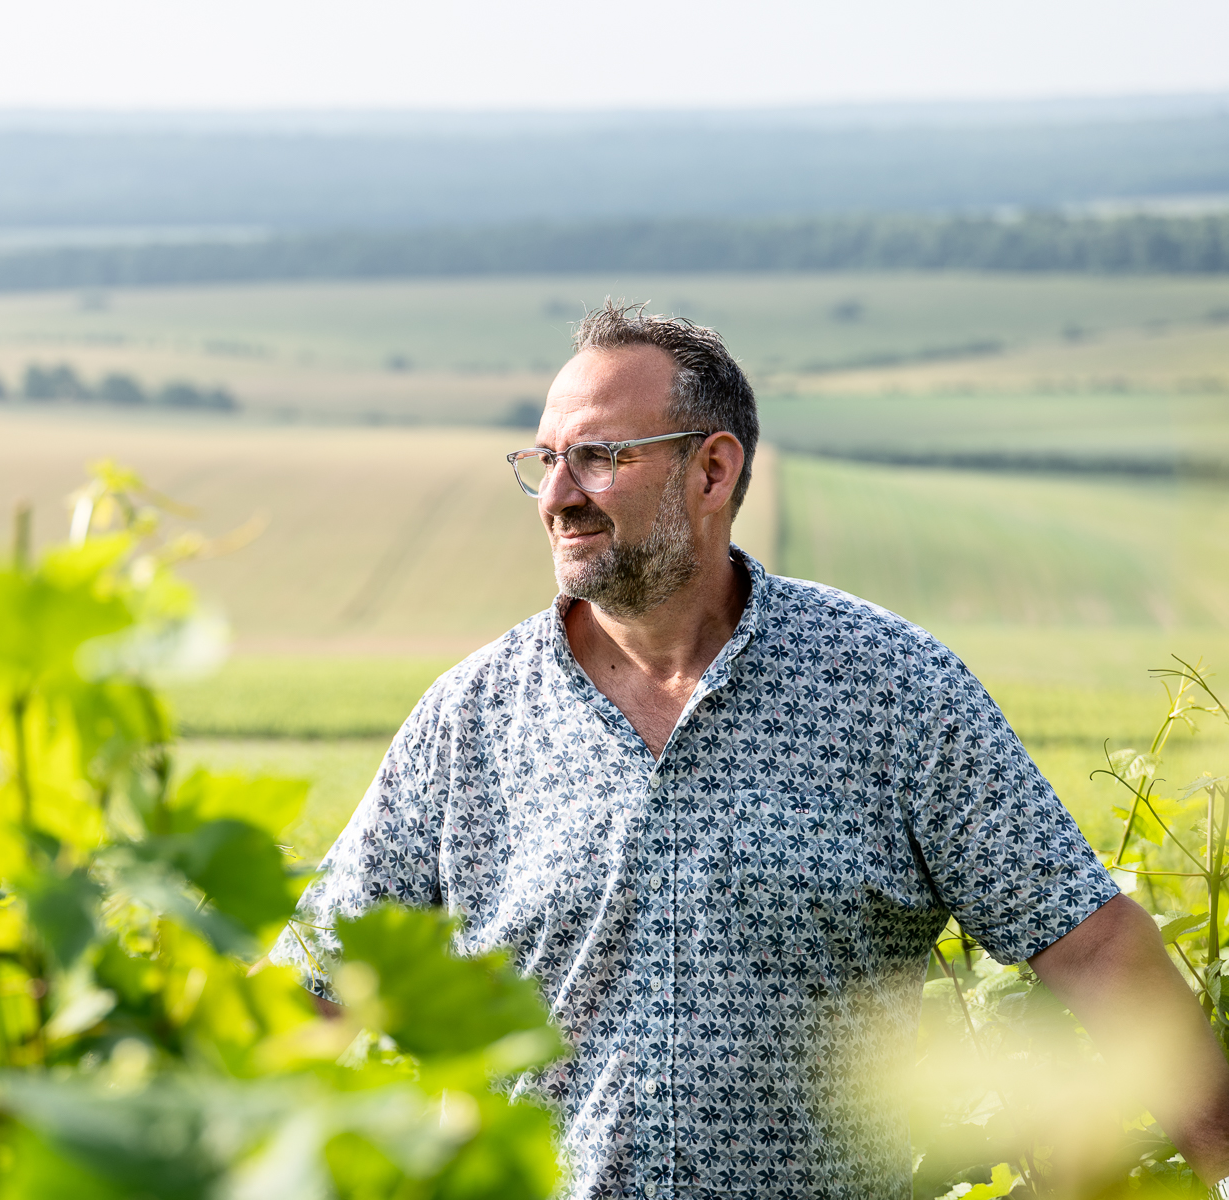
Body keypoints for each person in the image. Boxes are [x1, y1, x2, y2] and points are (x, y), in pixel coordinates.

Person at [271, 301, 1229, 1199]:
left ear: (714, 470)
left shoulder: (889, 689)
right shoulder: (471, 719)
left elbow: (1095, 946)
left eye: (599, 457)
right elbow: (312, 983)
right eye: (545, 460)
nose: (557, 496)